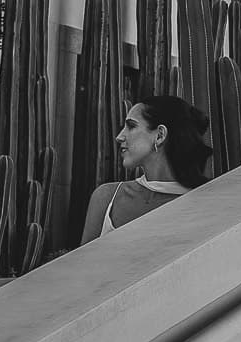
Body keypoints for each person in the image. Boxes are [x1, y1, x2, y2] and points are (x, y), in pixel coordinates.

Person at [79, 95, 212, 245]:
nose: (119, 137)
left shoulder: (204, 204)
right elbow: (81, 265)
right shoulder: (106, 198)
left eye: (131, 126)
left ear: (160, 135)